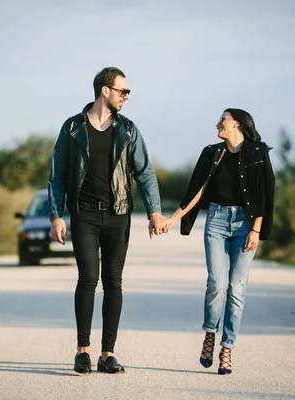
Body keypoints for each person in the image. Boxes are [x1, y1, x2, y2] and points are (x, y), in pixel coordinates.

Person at [47, 67, 166, 374]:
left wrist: (154, 210)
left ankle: (107, 354)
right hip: (84, 213)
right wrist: (56, 215)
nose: (126, 97)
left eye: (127, 92)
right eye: (122, 91)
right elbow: (57, 175)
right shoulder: (72, 127)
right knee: (87, 278)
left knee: (113, 283)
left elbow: (145, 172)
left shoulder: (128, 129)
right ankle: (82, 351)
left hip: (118, 214)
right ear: (105, 91)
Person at [164, 108, 275, 375]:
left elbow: (264, 193)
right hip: (216, 220)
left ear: (237, 123)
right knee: (217, 282)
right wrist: (173, 218)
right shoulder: (211, 153)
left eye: (223, 119)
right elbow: (197, 189)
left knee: (237, 288)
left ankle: (227, 348)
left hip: (246, 224)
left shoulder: (257, 154)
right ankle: (210, 334)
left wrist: (256, 230)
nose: (218, 123)